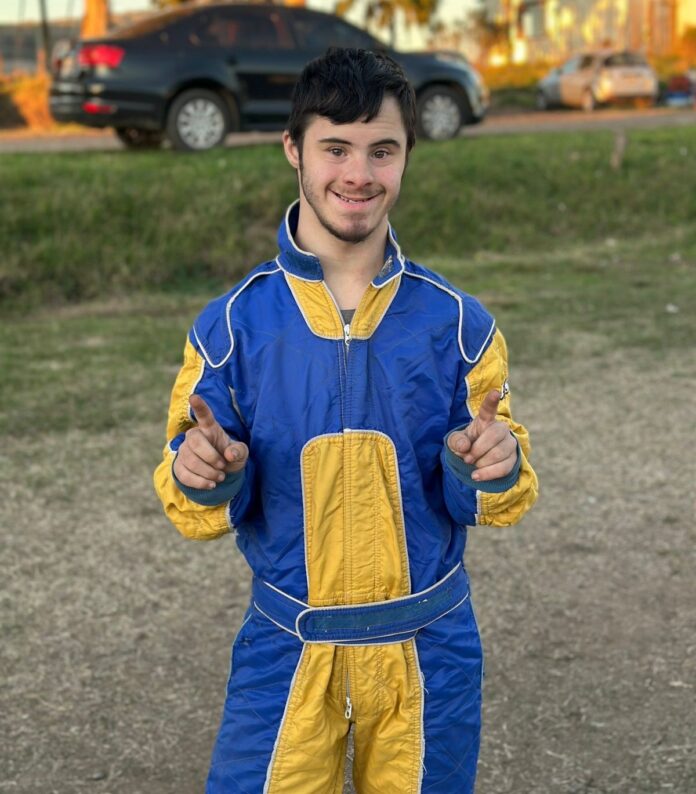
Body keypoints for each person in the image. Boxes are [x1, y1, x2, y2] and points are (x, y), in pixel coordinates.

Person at [154, 47, 538, 794]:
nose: (359, 173)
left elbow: (492, 494)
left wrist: (489, 465)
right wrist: (203, 474)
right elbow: (195, 493)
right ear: (293, 149)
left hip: (429, 653)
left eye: (382, 150)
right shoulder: (230, 328)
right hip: (287, 650)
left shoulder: (460, 325)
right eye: (336, 148)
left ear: (407, 156)